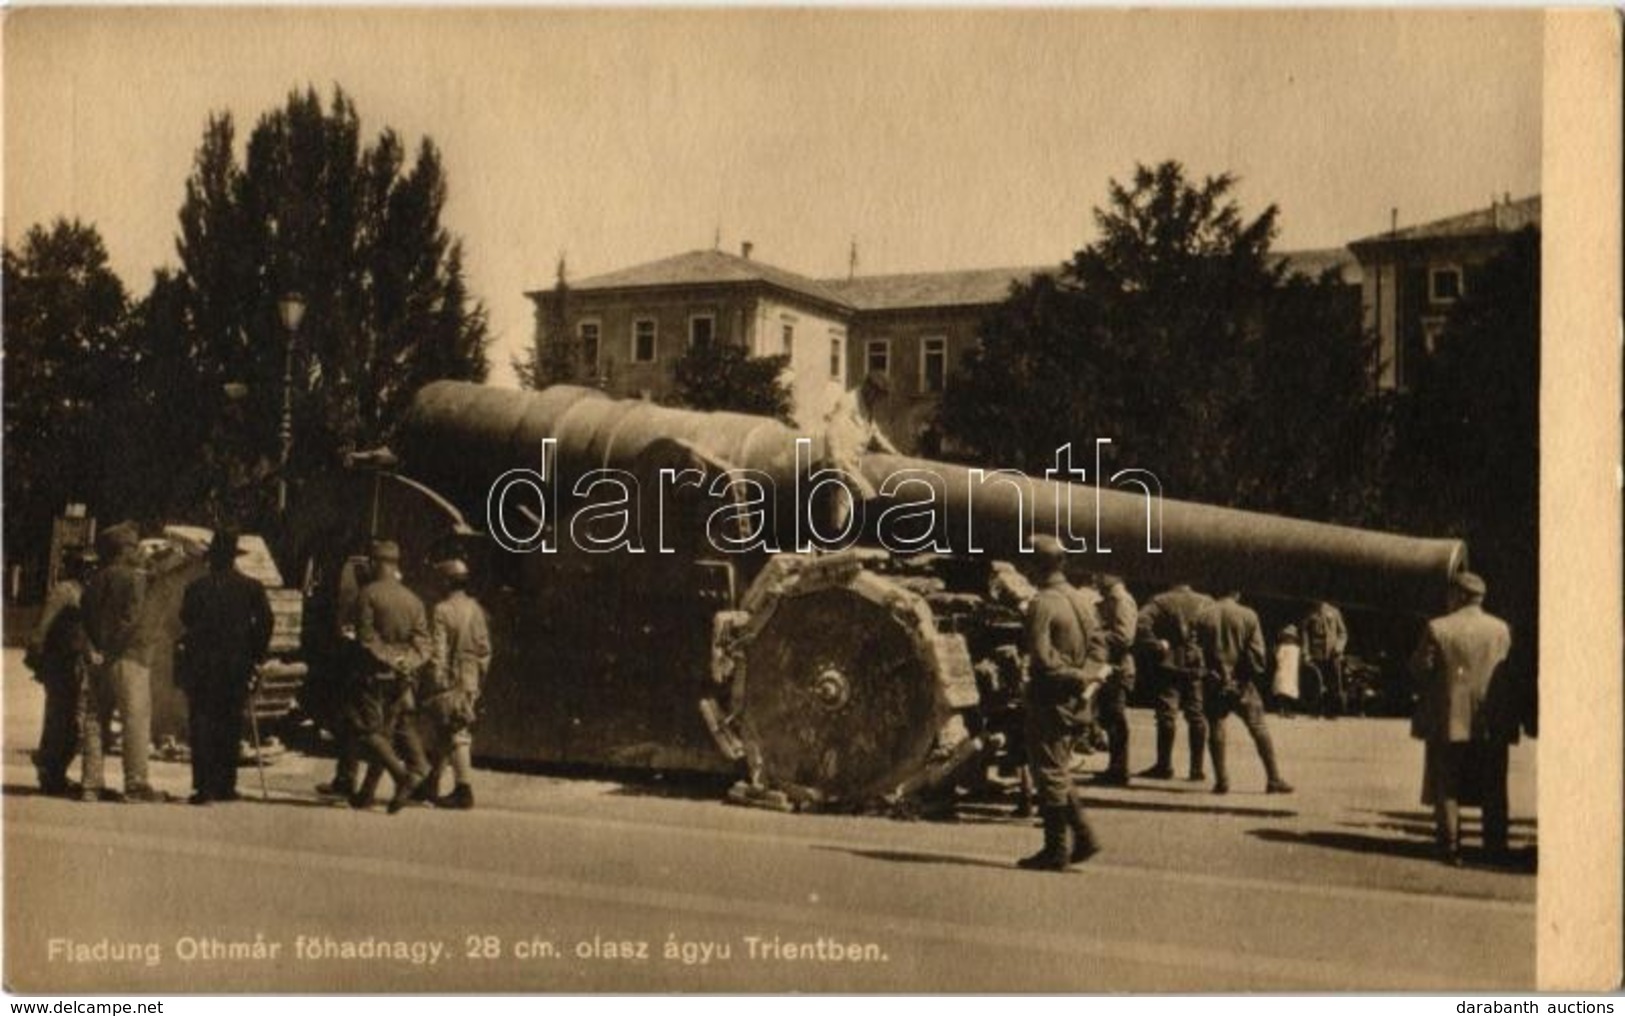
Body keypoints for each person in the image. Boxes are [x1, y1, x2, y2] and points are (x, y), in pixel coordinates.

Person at [1409, 571, 1517, 866]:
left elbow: (1419, 668)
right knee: (1494, 785)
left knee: (1447, 784)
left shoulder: (1437, 627)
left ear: (1457, 595)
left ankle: (1450, 847)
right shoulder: (1501, 629)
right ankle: (1495, 847)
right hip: (1491, 719)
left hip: (1449, 718)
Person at [1016, 535, 1109, 871]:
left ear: (1035, 567)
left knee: (1049, 772)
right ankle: (1084, 837)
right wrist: (1085, 677)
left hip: (1049, 697)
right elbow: (1100, 649)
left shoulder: (1041, 603)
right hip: (1077, 699)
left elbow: (1041, 659)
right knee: (1060, 767)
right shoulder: (1083, 600)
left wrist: (1070, 676)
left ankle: (1056, 849)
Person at [177, 528, 274, 805]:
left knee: (202, 724)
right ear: (234, 558)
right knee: (230, 724)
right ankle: (226, 786)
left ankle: (204, 788)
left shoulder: (196, 588)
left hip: (202, 666)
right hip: (236, 665)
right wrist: (255, 653)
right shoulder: (252, 588)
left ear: (212, 558)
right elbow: (266, 622)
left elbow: (186, 619)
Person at [80, 522, 165, 804]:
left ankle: (91, 785)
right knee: (135, 720)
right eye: (133, 546)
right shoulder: (133, 579)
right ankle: (136, 785)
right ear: (122, 550)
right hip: (129, 658)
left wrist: (96, 649)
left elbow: (86, 619)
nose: (137, 550)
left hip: (98, 659)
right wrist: (112, 649)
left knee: (95, 719)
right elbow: (131, 619)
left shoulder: (94, 580)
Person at [349, 540, 432, 814]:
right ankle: (366, 792)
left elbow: (366, 639)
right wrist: (404, 663)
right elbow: (424, 645)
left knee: (367, 730)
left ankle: (402, 777)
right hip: (402, 677)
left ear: (375, 563)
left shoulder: (368, 594)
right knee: (385, 734)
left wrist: (387, 659)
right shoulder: (414, 600)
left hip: (373, 675)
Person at [1194, 590, 1294, 795]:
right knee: (1258, 728)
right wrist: (1241, 677)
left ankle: (1222, 781)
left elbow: (1193, 651)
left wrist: (1209, 672)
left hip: (1213, 682)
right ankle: (1273, 778)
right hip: (1242, 684)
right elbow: (1257, 656)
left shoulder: (1203, 615)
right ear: (1236, 593)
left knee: (1216, 727)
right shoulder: (1249, 615)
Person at [417, 558, 492, 810]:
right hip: (470, 677)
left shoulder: (442, 609)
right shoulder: (477, 608)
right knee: (446, 731)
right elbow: (485, 650)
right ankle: (432, 782)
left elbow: (439, 650)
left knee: (456, 733)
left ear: (447, 581)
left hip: (451, 677)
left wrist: (437, 680)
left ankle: (464, 789)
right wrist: (478, 677)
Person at [28, 547, 97, 796]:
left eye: (91, 566)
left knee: (70, 720)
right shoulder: (64, 591)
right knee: (59, 719)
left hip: (73, 662)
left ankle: (56, 771)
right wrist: (37, 655)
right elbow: (44, 624)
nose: (89, 571)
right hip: (59, 663)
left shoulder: (82, 591)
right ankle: (50, 773)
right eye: (84, 566)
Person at [1134, 582, 1215, 781]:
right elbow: (1216, 629)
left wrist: (1156, 644)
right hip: (1196, 663)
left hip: (1169, 663)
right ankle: (1196, 769)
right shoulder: (1207, 601)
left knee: (1166, 715)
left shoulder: (1161, 600)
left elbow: (1140, 623)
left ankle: (1164, 765)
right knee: (1196, 715)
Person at [813, 370, 900, 542]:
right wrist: (836, 461)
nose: (879, 401)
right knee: (860, 496)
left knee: (843, 505)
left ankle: (835, 541)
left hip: (850, 463)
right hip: (840, 461)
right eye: (879, 396)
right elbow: (832, 431)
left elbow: (875, 434)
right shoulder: (849, 401)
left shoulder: (867, 407)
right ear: (870, 389)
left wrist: (895, 453)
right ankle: (836, 542)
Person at [1090, 573, 1138, 785]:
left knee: (1116, 718)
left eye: (1100, 575)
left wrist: (1093, 635)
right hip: (1109, 667)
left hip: (1117, 668)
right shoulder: (1110, 599)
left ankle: (1120, 770)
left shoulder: (1121, 600)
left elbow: (1124, 637)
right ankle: (1116, 767)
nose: (1095, 579)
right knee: (1110, 718)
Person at [1301, 600, 1349, 719]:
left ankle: (1331, 711)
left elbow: (1343, 633)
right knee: (1315, 683)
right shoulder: (1311, 613)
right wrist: (1306, 652)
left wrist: (1339, 647)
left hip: (1332, 654)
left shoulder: (1335, 612)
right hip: (1316, 653)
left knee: (1333, 683)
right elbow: (1305, 633)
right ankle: (1315, 710)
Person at [1272, 625, 1301, 718]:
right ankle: (1281, 709)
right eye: (1287, 636)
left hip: (1292, 672)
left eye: (1291, 637)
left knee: (1290, 692)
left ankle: (1288, 710)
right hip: (1283, 670)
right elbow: (1278, 658)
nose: (1289, 639)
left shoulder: (1296, 648)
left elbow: (1298, 660)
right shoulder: (1282, 647)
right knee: (1282, 691)